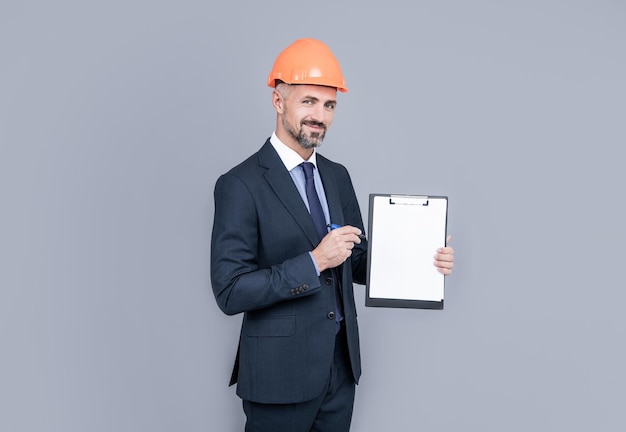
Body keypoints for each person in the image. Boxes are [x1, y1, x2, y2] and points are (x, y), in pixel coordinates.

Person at [210, 38, 455, 432]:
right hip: (278, 377)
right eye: (308, 101)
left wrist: (426, 261)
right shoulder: (240, 184)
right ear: (278, 101)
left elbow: (356, 259)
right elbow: (230, 291)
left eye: (329, 105)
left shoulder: (337, 176)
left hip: (338, 371)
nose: (319, 116)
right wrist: (314, 261)